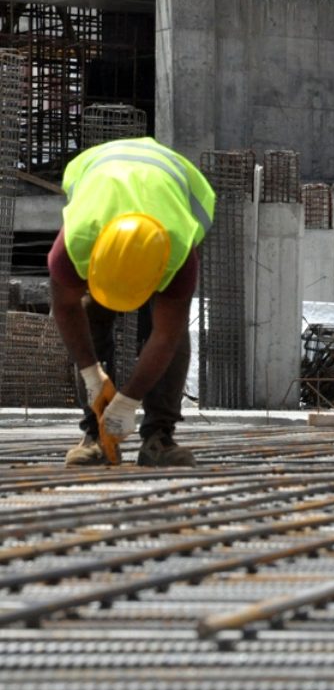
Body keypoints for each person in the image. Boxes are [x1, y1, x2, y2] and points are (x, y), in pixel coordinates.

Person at [49, 137, 215, 468]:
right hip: (102, 183)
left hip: (172, 204)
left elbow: (165, 336)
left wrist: (128, 400)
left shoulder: (179, 250)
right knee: (90, 312)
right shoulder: (77, 240)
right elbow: (66, 307)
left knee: (171, 326)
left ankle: (159, 437)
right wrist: (92, 375)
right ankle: (95, 433)